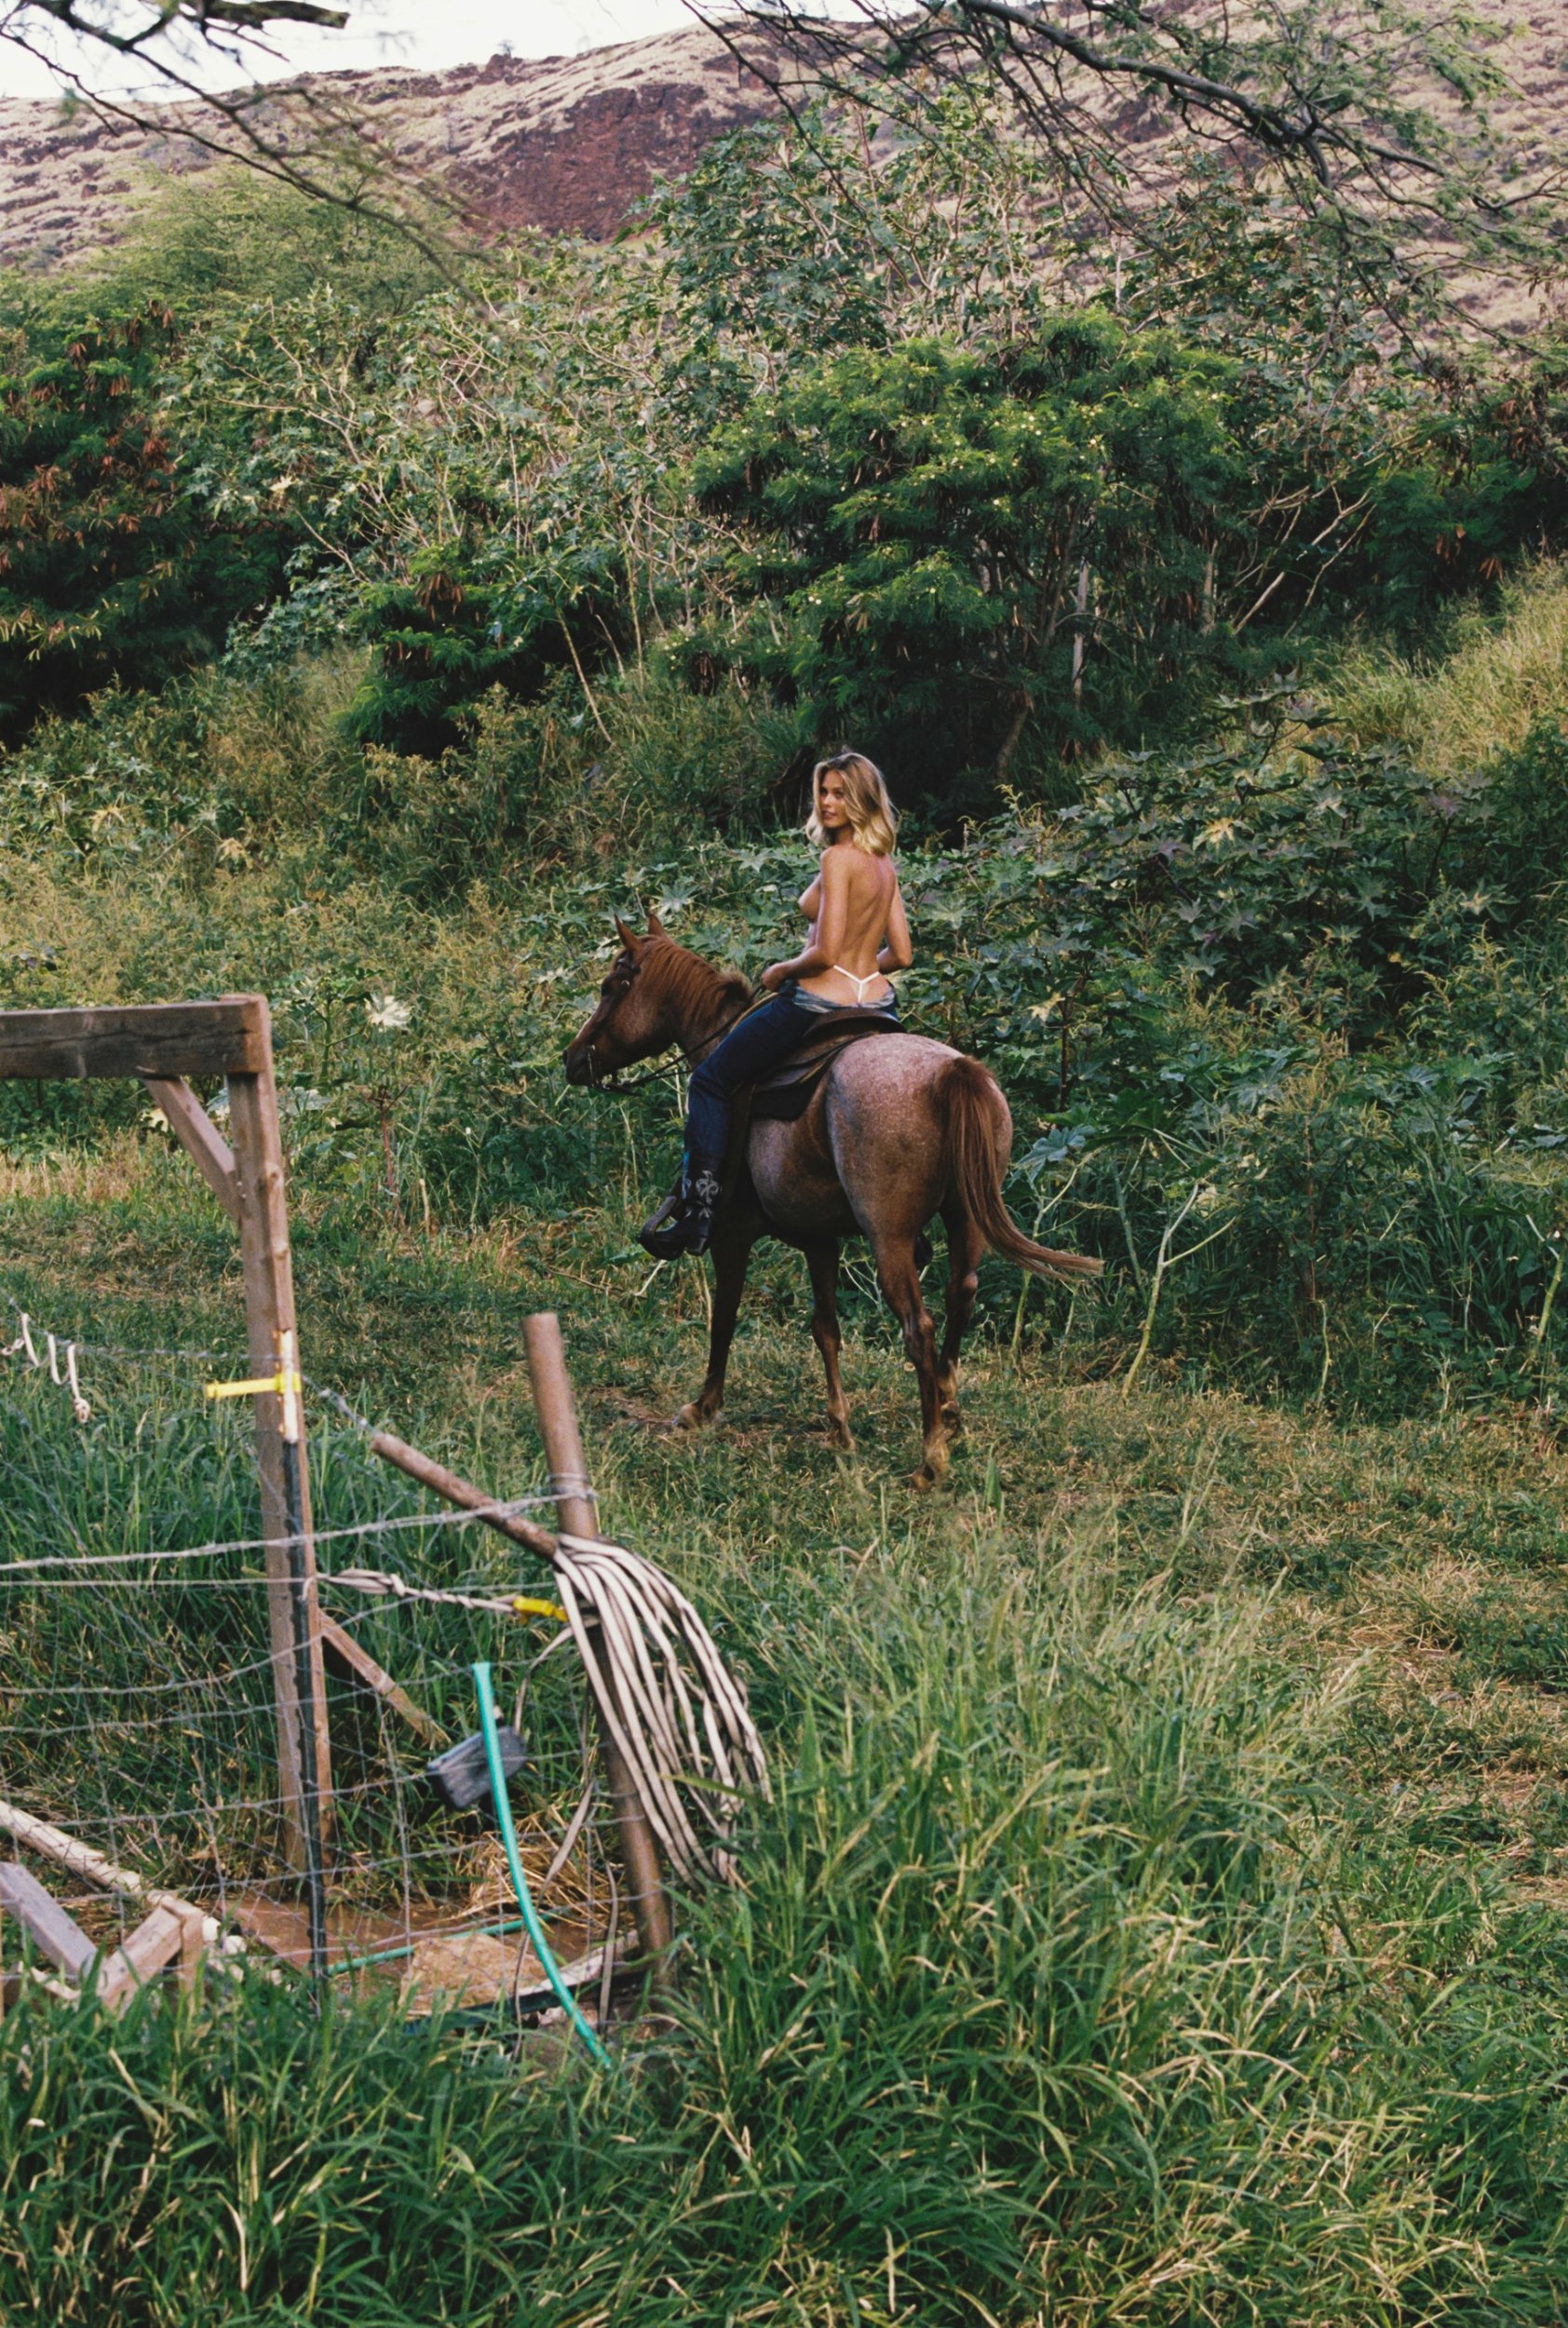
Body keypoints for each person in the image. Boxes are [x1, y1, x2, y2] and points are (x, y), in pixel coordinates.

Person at [640, 750, 914, 1259]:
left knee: (711, 1080)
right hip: (877, 1005)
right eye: (823, 792)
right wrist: (860, 972)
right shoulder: (883, 865)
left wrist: (781, 970)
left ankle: (699, 1213)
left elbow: (825, 952)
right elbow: (901, 954)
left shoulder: (837, 860)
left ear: (861, 799)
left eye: (839, 794)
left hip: (817, 1003)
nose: (827, 802)